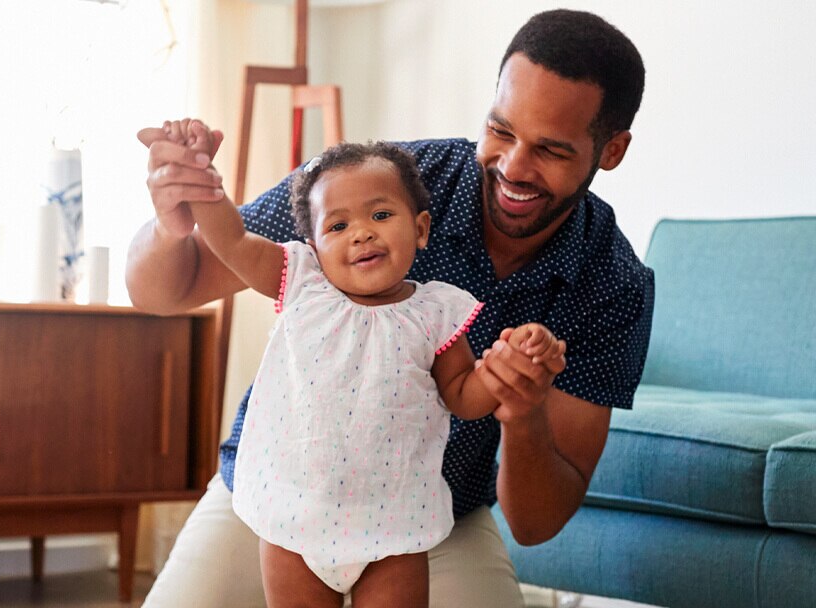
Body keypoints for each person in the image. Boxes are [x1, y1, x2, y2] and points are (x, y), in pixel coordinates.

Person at [127, 8, 654, 608]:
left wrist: (521, 410)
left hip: (427, 522)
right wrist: (174, 221)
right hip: (275, 499)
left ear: (610, 151)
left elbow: (536, 524)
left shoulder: (613, 284)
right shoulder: (375, 186)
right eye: (502, 131)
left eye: (551, 151)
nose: (512, 167)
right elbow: (165, 288)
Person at [166, 131, 566, 606]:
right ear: (312, 244)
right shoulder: (301, 283)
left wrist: (505, 369)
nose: (362, 233)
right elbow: (231, 240)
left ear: (419, 229)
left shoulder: (435, 312)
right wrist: (201, 183)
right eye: (337, 226)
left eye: (380, 215)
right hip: (295, 521)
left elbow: (461, 395)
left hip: (393, 529)